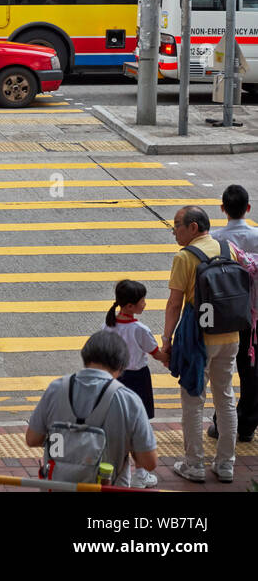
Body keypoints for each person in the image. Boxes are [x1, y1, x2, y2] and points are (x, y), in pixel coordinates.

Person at [162, 205, 238, 483]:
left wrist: (167, 339)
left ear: (193, 227)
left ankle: (194, 464)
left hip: (199, 341)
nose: (174, 232)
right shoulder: (228, 248)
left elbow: (174, 303)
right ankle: (226, 464)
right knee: (225, 398)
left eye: (177, 226)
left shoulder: (185, 257)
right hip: (230, 336)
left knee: (194, 400)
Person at [25, 332, 157, 488]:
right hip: (108, 487)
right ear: (121, 367)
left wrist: (64, 441)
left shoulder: (56, 389)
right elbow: (149, 463)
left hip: (57, 486)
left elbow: (32, 439)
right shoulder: (129, 400)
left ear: (85, 356)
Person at [104, 280, 167, 488]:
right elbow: (157, 354)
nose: (145, 304)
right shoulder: (140, 329)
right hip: (137, 380)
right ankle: (141, 474)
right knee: (139, 426)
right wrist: (172, 356)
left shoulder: (107, 325)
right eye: (142, 301)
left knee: (117, 425)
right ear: (130, 306)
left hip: (114, 380)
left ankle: (118, 471)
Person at [212, 185, 258, 443]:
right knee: (252, 371)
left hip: (227, 316)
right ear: (248, 208)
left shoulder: (217, 239)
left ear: (222, 209)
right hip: (255, 317)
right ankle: (248, 425)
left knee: (224, 371)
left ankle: (222, 424)